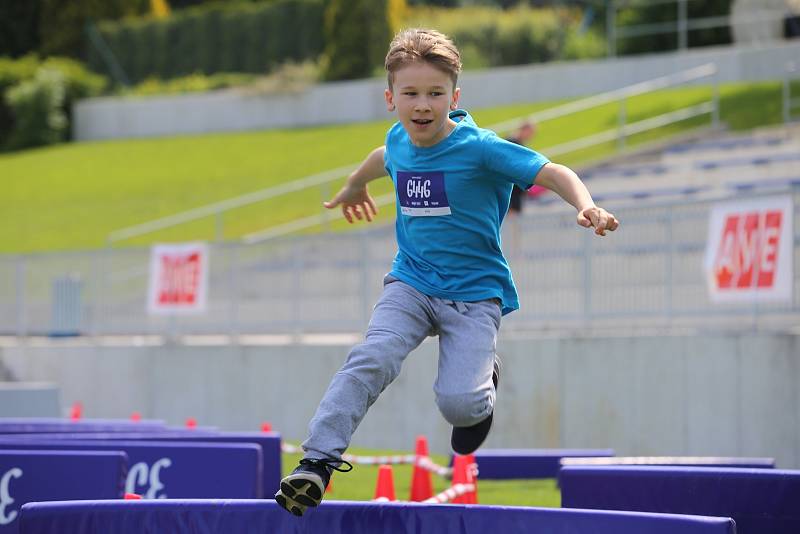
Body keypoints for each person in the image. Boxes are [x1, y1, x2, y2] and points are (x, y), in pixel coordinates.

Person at [274, 28, 618, 517]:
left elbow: (553, 172)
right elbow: (380, 159)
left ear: (454, 97)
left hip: (474, 296)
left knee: (460, 408)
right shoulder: (398, 141)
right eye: (411, 94)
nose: (422, 105)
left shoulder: (481, 149)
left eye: (435, 94)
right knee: (371, 358)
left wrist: (587, 206)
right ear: (390, 98)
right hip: (410, 285)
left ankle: (484, 383)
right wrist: (353, 186)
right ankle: (317, 463)